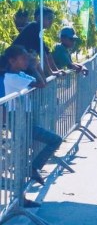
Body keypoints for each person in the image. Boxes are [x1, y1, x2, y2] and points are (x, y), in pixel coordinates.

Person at [0, 45, 62, 206]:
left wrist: (36, 67)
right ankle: (22, 194)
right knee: (22, 158)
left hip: (24, 120)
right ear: (12, 61)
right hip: (18, 120)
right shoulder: (12, 78)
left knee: (22, 159)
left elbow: (43, 81)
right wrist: (35, 67)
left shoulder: (19, 75)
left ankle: (28, 180)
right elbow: (41, 83)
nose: (27, 61)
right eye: (23, 58)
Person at [12, 6, 63, 78]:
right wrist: (51, 72)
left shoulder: (37, 30)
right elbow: (43, 53)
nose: (51, 21)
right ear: (39, 18)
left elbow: (46, 52)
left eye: (52, 19)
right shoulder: (34, 27)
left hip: (21, 64)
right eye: (49, 18)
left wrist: (56, 70)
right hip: (14, 65)